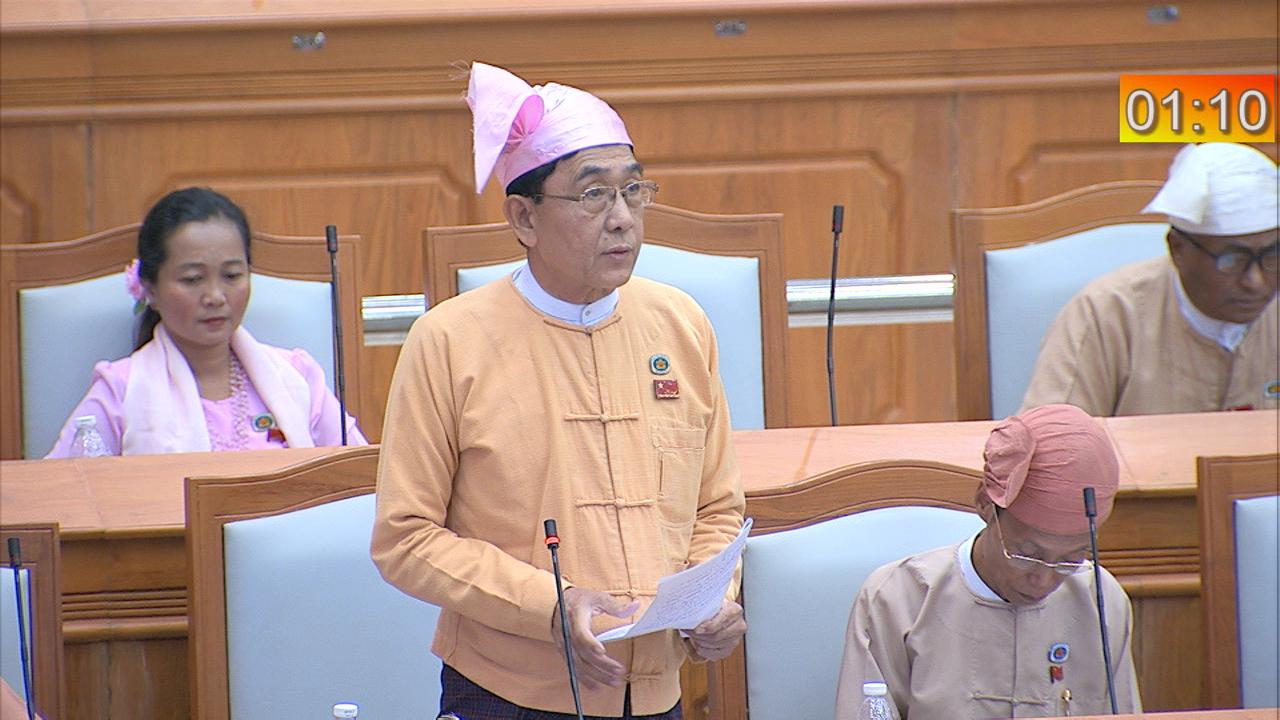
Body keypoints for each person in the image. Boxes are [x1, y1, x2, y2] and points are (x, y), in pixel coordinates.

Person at [370, 62, 746, 719]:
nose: (623, 219)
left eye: (634, 191)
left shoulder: (680, 323)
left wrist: (713, 601)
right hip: (508, 694)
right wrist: (551, 605)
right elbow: (405, 539)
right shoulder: (450, 341)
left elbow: (716, 508)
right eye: (594, 195)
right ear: (524, 217)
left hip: (657, 693)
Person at [833, 404, 1141, 719]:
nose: (1043, 580)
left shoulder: (1101, 601)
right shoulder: (899, 599)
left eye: (1069, 559)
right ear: (984, 504)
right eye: (1027, 554)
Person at [45, 187, 365, 457]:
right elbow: (65, 491)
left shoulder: (296, 375)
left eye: (232, 276)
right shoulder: (121, 390)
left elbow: (361, 478)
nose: (215, 296)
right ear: (150, 289)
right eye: (193, 279)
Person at [1021, 142, 1278, 416]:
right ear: (1177, 249)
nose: (1256, 281)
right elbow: (1052, 437)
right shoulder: (1106, 313)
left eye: (1273, 256)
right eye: (1232, 260)